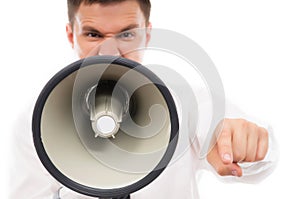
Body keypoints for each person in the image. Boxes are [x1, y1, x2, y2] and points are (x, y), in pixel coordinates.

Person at [9, 0, 278, 198]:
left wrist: (248, 146)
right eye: (93, 34)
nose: (111, 50)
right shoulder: (36, 120)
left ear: (146, 34)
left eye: (127, 34)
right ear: (71, 35)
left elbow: (261, 157)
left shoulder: (189, 104)